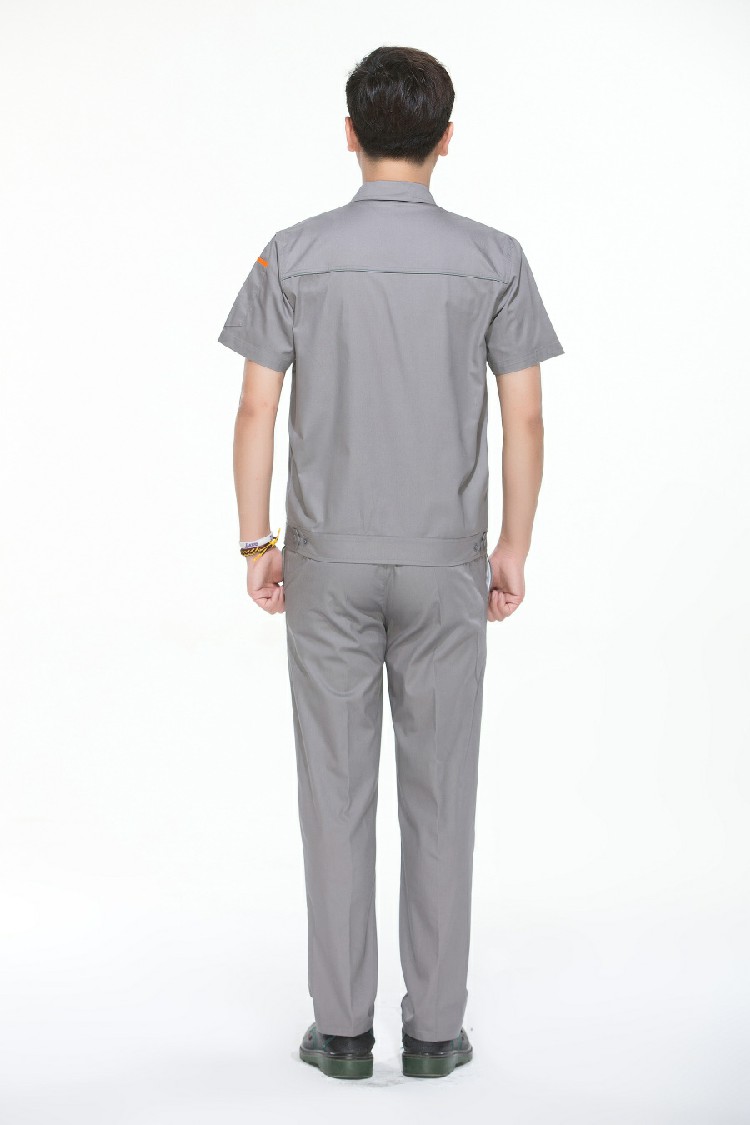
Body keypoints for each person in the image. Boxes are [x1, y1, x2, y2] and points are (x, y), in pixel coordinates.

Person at [217, 45, 564, 1081]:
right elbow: (525, 416)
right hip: (446, 559)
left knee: (333, 792)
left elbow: (255, 408)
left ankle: (340, 1031)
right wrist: (512, 547)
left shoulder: (295, 253)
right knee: (442, 792)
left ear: (350, 134)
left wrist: (257, 540)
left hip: (325, 559)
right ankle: (435, 1032)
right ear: (446, 139)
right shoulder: (495, 258)